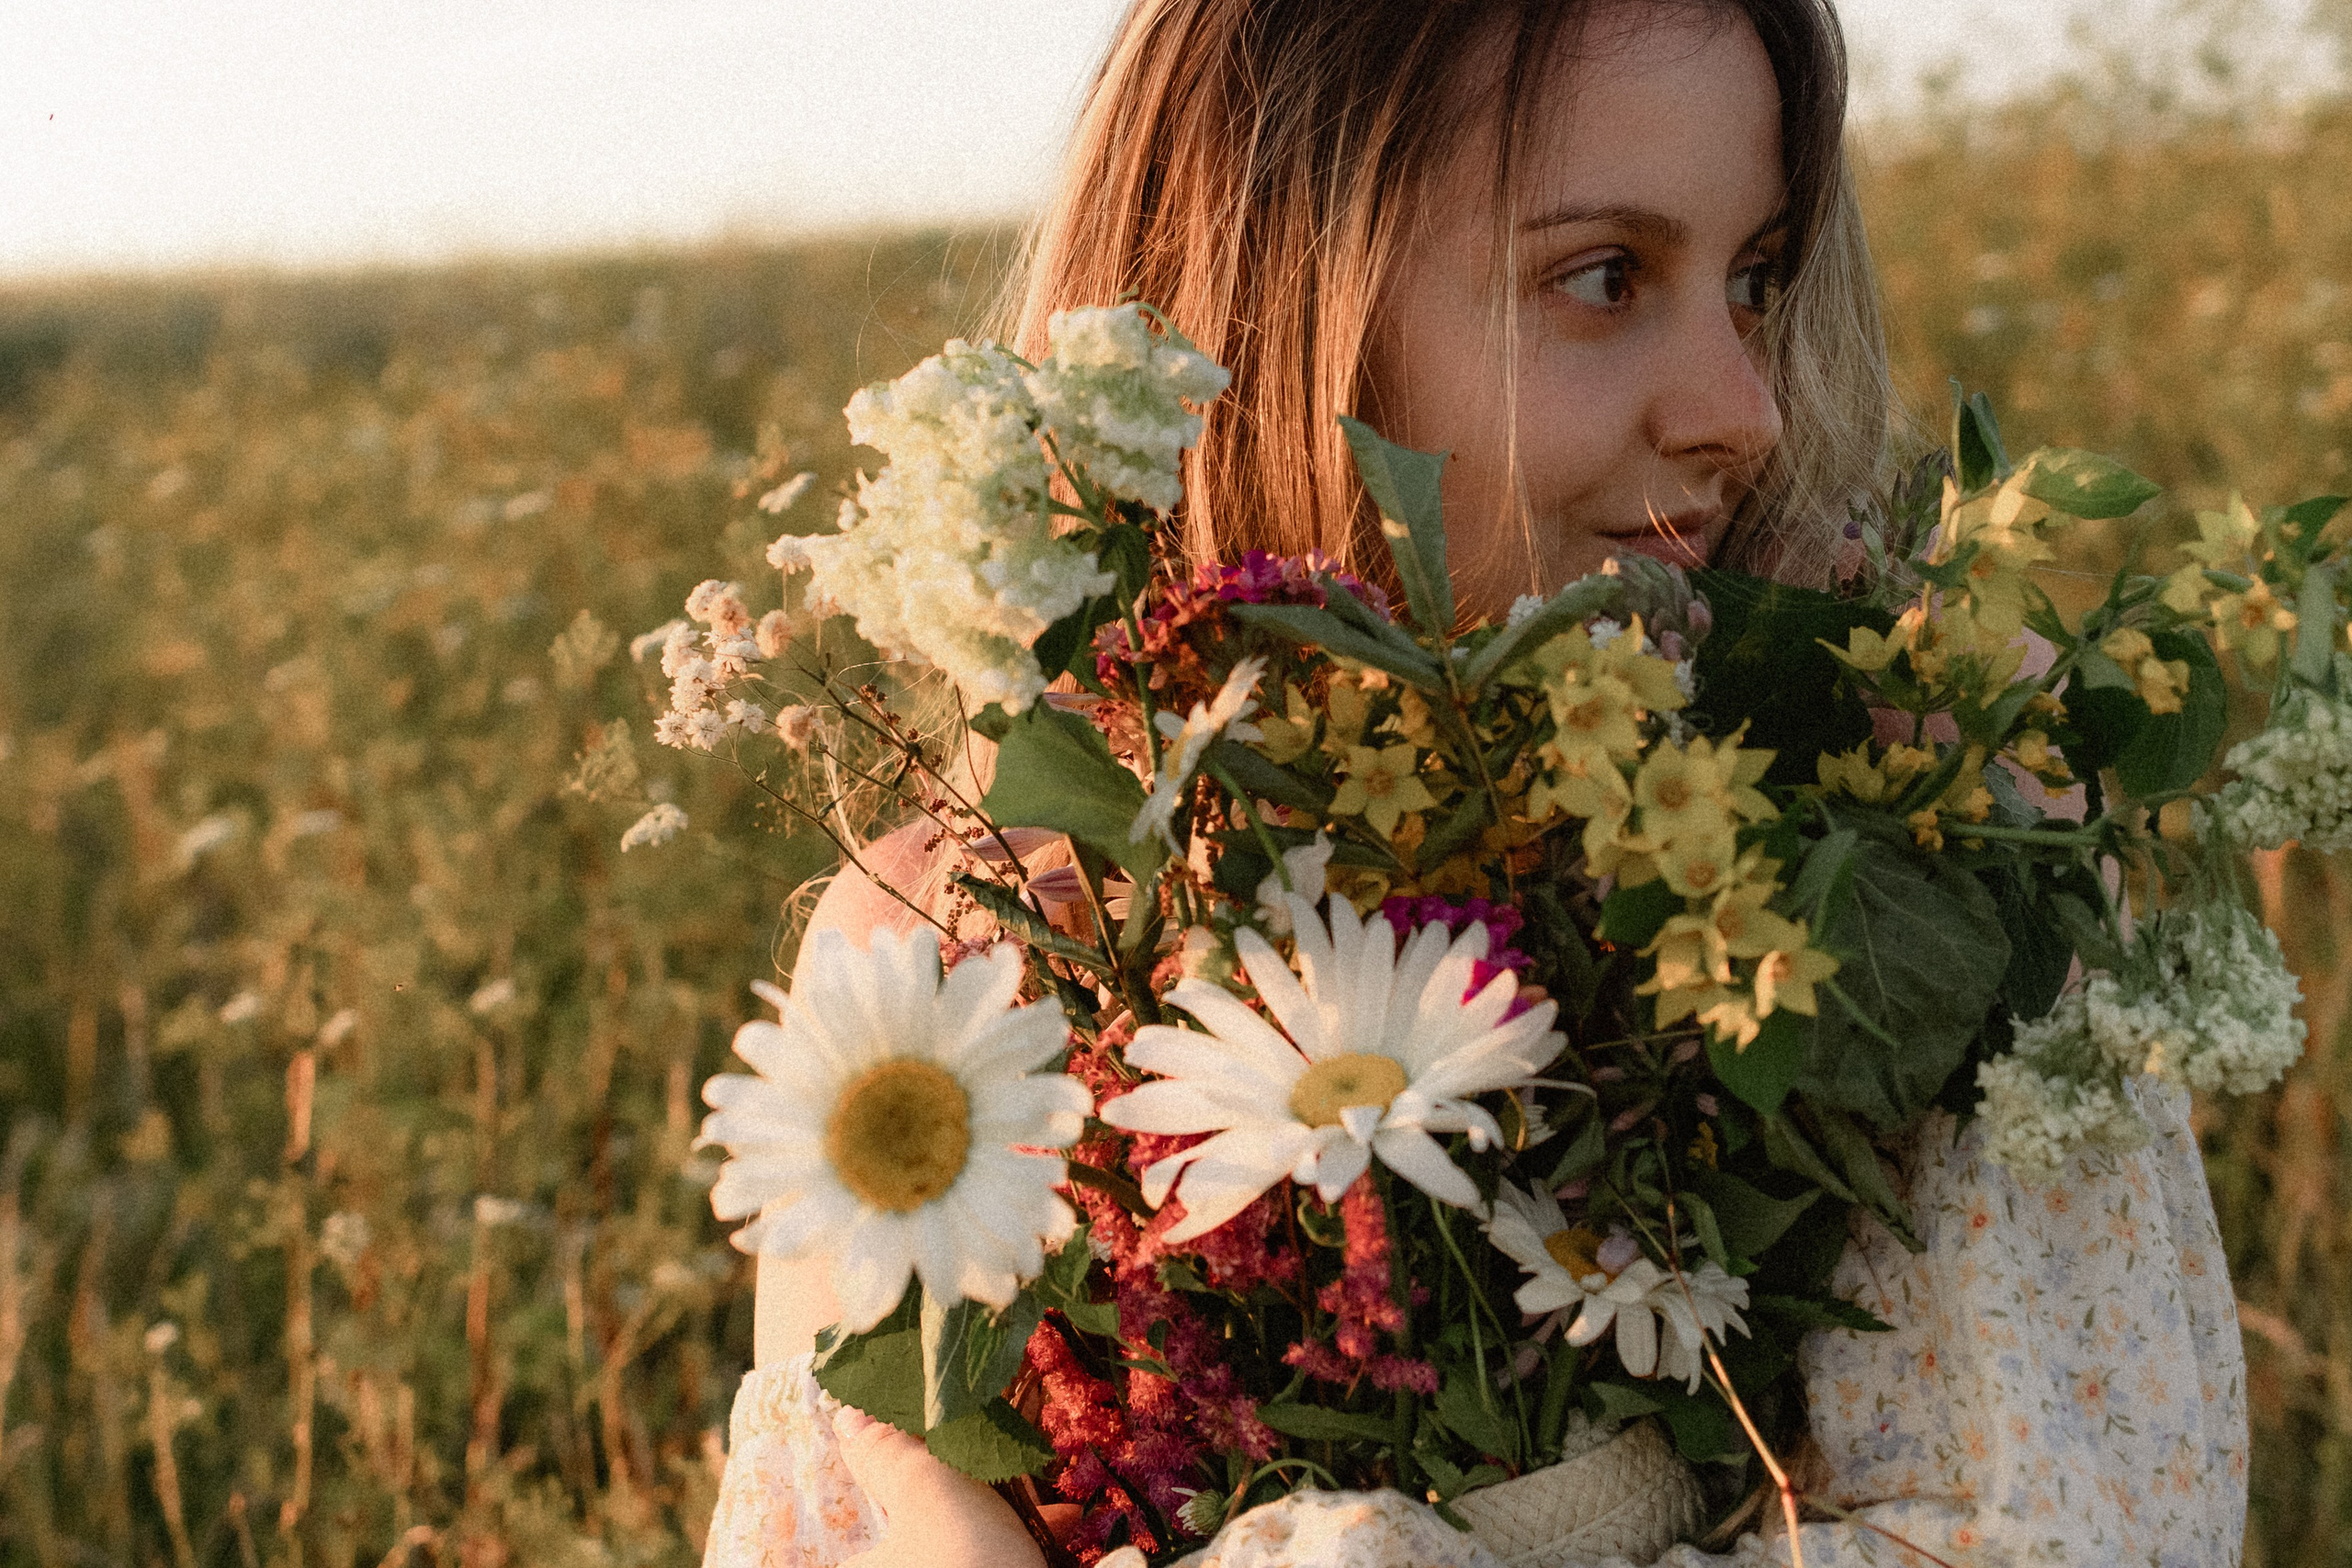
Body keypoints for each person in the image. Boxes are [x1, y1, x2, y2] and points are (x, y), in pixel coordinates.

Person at [701, 2, 2250, 1564]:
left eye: (1757, 280)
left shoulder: (1898, 832)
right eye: (1602, 278)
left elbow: (2077, 1520)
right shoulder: (954, 967)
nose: (1744, 408)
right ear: (1275, 306)